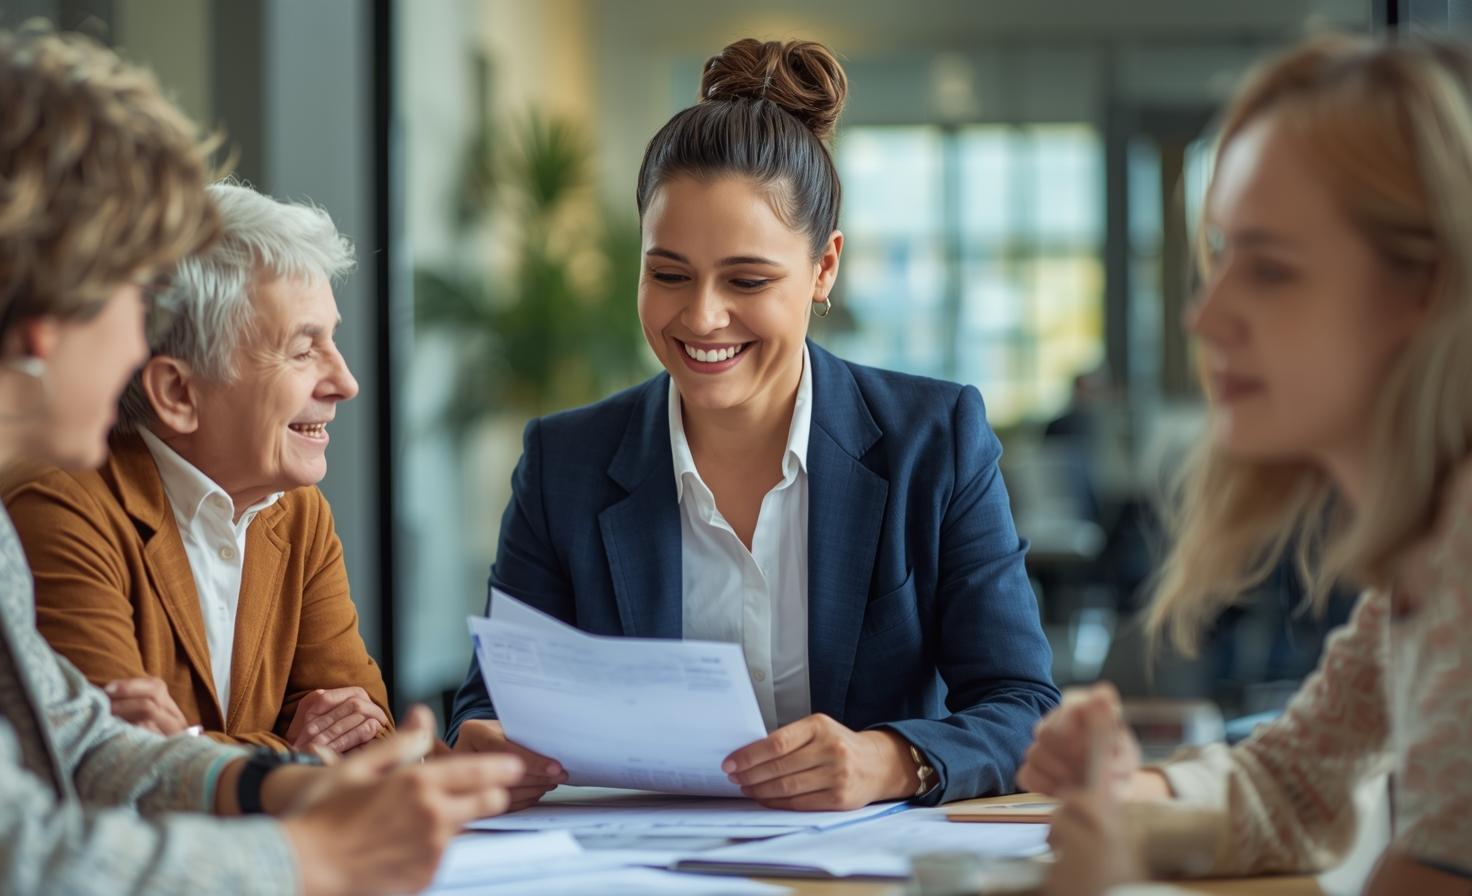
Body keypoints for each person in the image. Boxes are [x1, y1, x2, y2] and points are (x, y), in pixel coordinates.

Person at [0, 29, 519, 895]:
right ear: (45, 313)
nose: (144, 346)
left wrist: (286, 785)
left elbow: (80, 745)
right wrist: (310, 857)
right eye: (133, 301)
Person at [449, 38, 1059, 813]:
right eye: (668, 274)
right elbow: (487, 707)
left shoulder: (934, 441)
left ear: (824, 268)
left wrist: (891, 760)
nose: (701, 316)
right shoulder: (564, 461)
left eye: (747, 279)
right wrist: (486, 740)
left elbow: (1024, 708)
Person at [1015, 33, 1472, 895]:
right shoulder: (1421, 553)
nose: (1206, 314)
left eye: (1268, 269)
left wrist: (1121, 881)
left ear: (1428, 292)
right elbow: (1294, 787)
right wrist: (1126, 804)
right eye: (1220, 255)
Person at [0, 182, 392, 755]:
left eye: (331, 342)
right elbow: (113, 769)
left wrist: (195, 745)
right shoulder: (60, 507)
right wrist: (293, 753)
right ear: (178, 392)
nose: (346, 383)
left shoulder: (298, 513)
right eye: (304, 350)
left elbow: (371, 735)